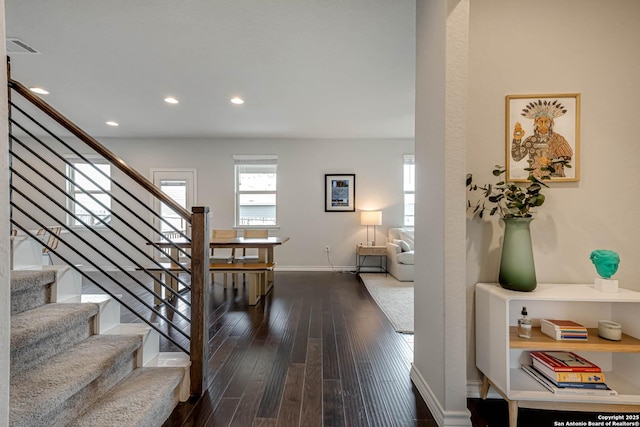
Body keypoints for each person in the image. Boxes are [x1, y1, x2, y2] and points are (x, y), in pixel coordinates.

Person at [511, 99, 573, 178]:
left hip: (556, 179)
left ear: (551, 123)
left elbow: (568, 159)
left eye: (546, 121)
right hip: (535, 181)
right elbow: (516, 157)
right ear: (535, 122)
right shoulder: (530, 141)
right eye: (540, 121)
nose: (543, 125)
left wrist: (550, 162)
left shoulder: (558, 139)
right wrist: (517, 139)